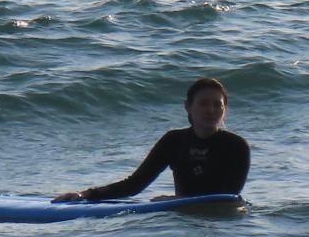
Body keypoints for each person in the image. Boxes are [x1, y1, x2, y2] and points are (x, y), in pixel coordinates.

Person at [53, 77, 249, 202]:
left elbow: (227, 198)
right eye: (204, 104)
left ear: (225, 109)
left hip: (223, 225)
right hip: (186, 221)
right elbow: (134, 184)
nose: (211, 110)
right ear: (188, 107)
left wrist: (175, 201)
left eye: (217, 105)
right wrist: (85, 195)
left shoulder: (236, 146)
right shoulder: (174, 141)